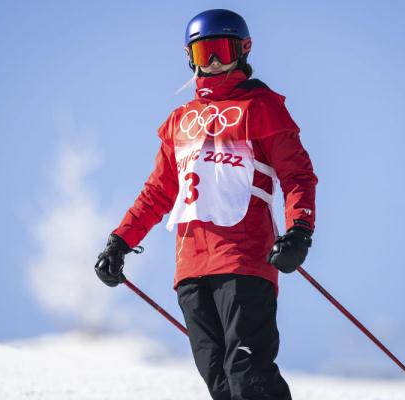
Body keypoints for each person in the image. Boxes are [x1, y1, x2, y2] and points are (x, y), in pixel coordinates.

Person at [95, 9, 318, 400]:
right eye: (203, 54)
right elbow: (158, 192)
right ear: (189, 58)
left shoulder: (262, 107)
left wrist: (299, 230)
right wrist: (119, 241)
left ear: (244, 50)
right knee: (220, 380)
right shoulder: (180, 121)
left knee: (248, 373)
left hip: (245, 258)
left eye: (221, 51)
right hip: (191, 268)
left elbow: (297, 175)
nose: (213, 63)